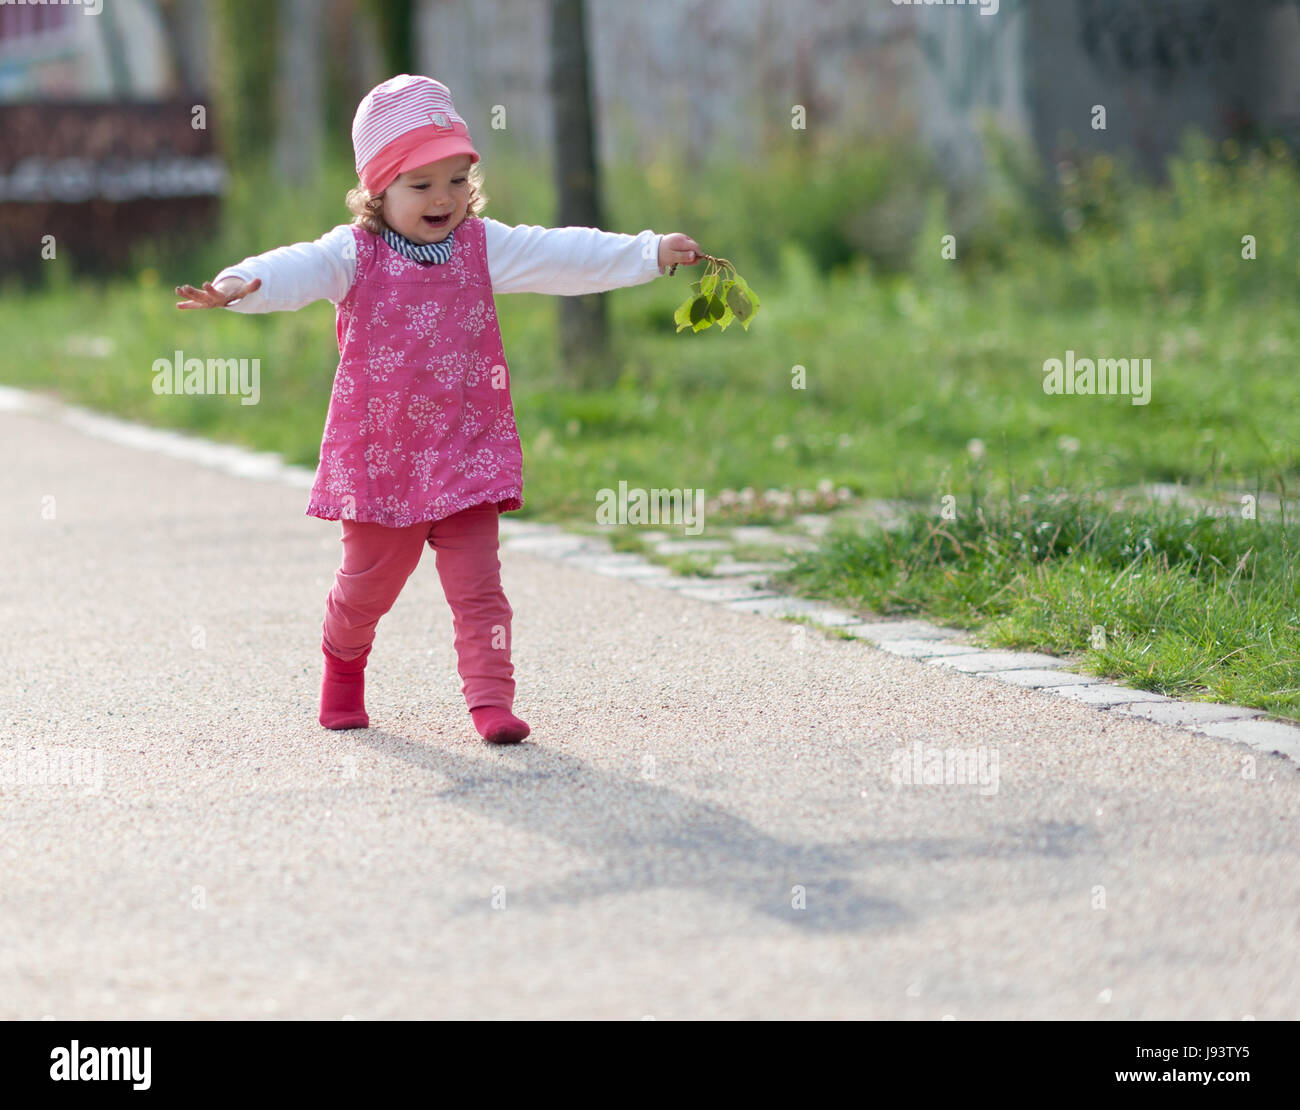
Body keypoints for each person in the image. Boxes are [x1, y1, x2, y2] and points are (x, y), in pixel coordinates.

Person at [176, 74, 703, 743]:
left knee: (481, 590)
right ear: (377, 190)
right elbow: (295, 267)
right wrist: (237, 286)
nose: (443, 198)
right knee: (367, 589)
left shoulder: (483, 249)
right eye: (420, 185)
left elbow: (563, 254)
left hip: (467, 452)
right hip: (382, 461)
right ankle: (342, 664)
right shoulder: (354, 254)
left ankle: (491, 704)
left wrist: (648, 253)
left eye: (456, 179)